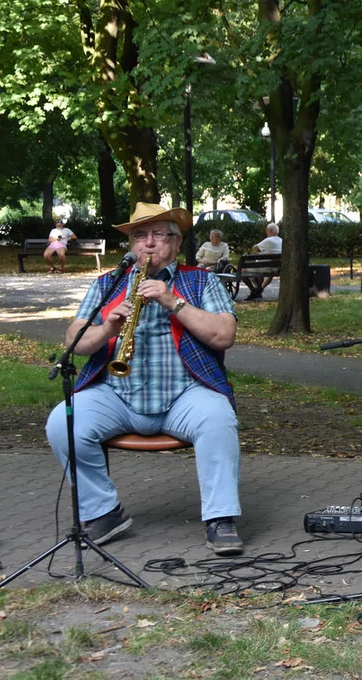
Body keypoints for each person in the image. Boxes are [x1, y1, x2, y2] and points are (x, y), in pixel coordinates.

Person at [45, 202, 244, 556]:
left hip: (185, 393)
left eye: (157, 235)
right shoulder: (109, 282)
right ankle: (103, 512)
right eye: (139, 236)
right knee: (63, 422)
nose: (147, 244)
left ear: (176, 242)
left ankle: (221, 517)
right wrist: (107, 326)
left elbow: (224, 335)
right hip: (117, 393)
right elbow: (75, 340)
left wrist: (173, 301)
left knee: (218, 419)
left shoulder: (201, 280)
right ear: (130, 244)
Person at [243, 222, 282, 301]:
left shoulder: (268, 240)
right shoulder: (282, 240)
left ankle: (254, 291)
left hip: (266, 267)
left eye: (267, 231)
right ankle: (259, 290)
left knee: (243, 270)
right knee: (260, 269)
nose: (266, 233)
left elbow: (255, 248)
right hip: (277, 267)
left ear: (270, 231)